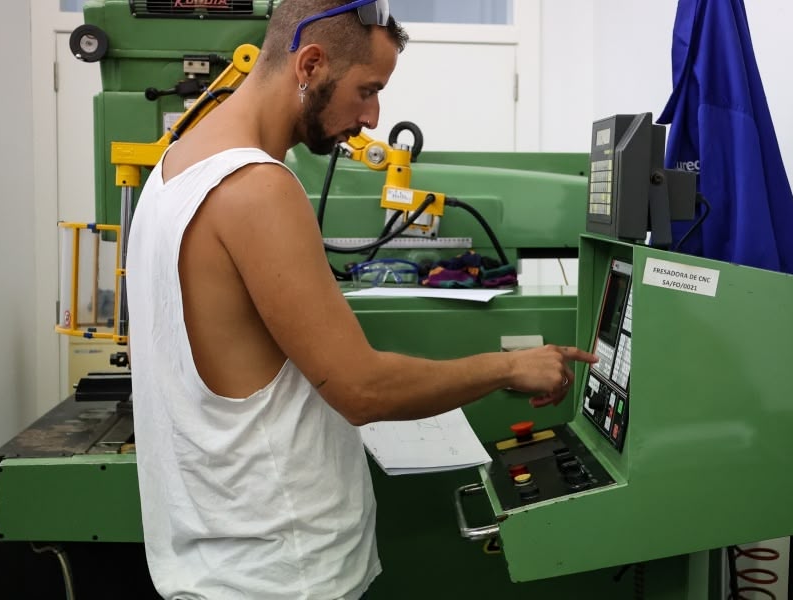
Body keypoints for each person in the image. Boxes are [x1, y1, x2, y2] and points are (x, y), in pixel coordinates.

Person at [124, 0, 598, 598]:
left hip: (218, 561)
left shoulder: (174, 166)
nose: (372, 117)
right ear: (311, 65)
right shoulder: (258, 188)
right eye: (367, 90)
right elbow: (362, 390)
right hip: (281, 575)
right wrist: (508, 367)